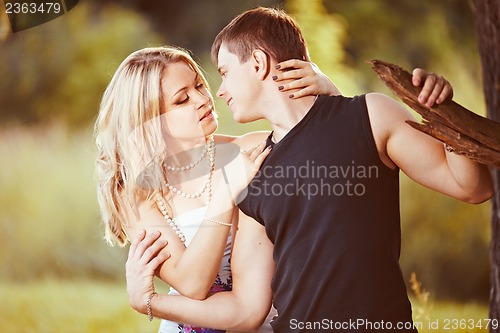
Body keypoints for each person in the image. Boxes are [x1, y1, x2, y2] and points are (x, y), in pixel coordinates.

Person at [125, 6, 494, 333]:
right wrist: (149, 302)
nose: (217, 92)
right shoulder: (253, 169)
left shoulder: (370, 115)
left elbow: (473, 189)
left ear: (258, 64)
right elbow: (246, 310)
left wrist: (443, 113)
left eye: (223, 73)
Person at [94, 45, 343, 333]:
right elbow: (192, 284)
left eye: (199, 85)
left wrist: (330, 91)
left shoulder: (252, 149)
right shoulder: (138, 192)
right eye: (182, 99)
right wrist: (226, 194)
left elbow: (335, 148)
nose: (202, 99)